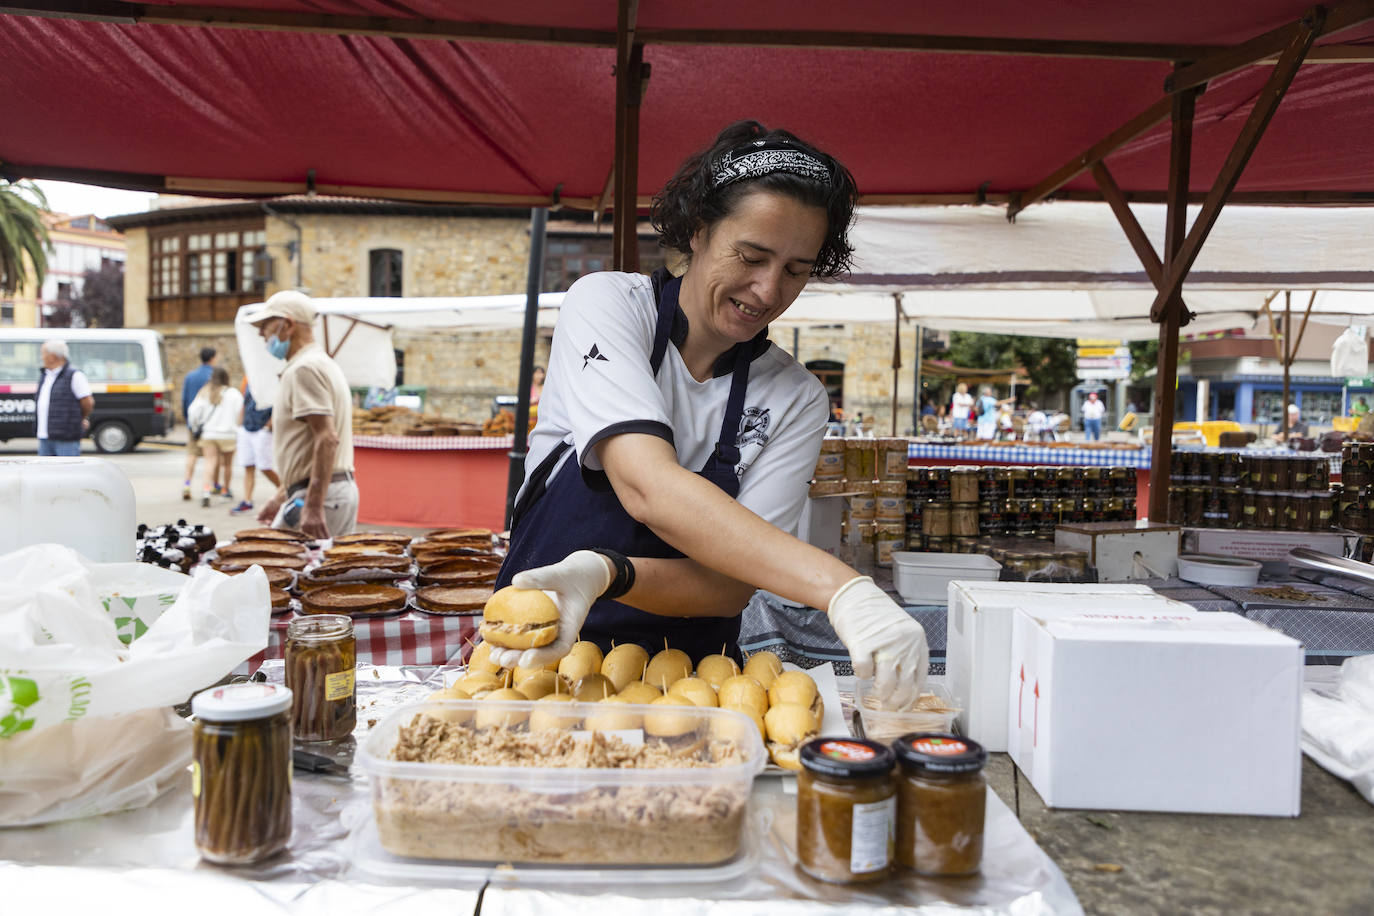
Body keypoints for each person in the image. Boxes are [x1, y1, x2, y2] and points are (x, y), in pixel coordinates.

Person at [490, 121, 928, 710]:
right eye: (751, 256)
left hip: (695, 689)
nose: (768, 290)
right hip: (538, 660)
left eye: (797, 270)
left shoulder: (795, 396)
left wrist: (606, 572)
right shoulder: (610, 307)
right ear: (697, 231)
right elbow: (649, 486)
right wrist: (842, 590)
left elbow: (727, 588)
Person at [249, 291, 358, 538]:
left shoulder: (304, 368)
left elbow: (326, 437)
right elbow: (305, 448)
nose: (260, 334)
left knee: (296, 570)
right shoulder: (316, 363)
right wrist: (281, 496)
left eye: (265, 326)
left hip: (320, 495)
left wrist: (314, 506)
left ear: (287, 325)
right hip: (315, 492)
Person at [187, 367, 242, 507]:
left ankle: (206, 491)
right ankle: (225, 490)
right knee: (227, 464)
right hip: (228, 434)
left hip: (209, 433)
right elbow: (240, 413)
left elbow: (192, 411)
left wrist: (195, 427)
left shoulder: (205, 392)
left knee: (209, 463)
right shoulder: (233, 393)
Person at [35, 339, 93, 456]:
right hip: (44, 437)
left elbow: (87, 402)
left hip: (66, 438)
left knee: (67, 473)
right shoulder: (45, 375)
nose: (42, 358)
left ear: (52, 356)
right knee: (44, 473)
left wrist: (79, 418)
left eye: (43, 354)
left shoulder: (75, 375)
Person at [231, 380, 279, 515]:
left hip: (262, 427)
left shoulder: (270, 379)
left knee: (265, 467)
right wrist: (240, 424)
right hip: (247, 427)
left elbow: (278, 403)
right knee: (248, 465)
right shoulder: (248, 380)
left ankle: (284, 492)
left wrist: (269, 425)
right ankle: (247, 500)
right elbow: (244, 402)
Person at [180, 347, 217, 499]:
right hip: (210, 424)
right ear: (213, 358)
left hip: (194, 424)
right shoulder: (214, 377)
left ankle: (187, 485)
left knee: (192, 455)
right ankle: (210, 487)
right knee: (211, 459)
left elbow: (184, 400)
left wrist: (188, 420)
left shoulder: (190, 376)